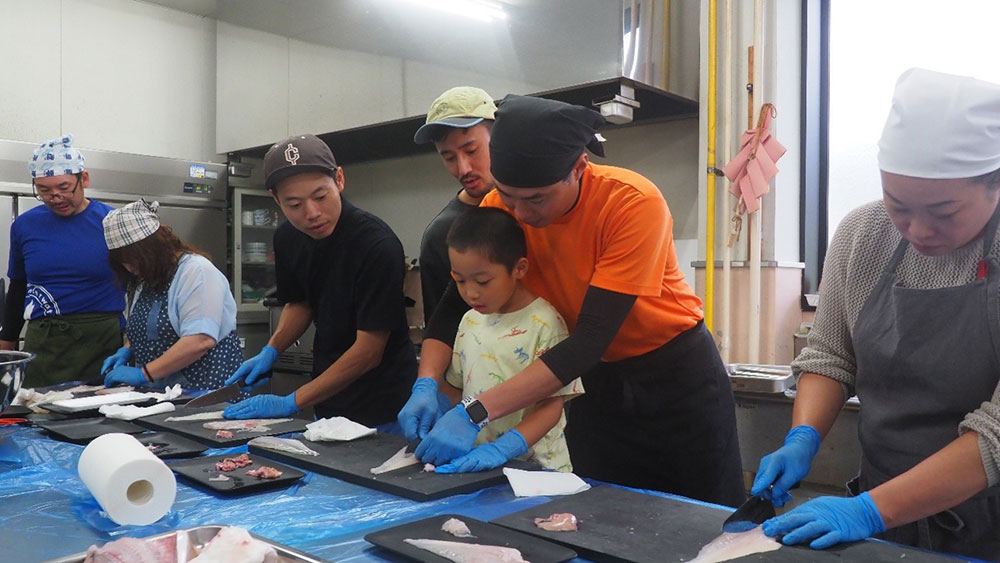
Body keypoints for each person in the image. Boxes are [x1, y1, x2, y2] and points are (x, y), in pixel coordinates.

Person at [400, 95, 745, 507]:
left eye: (537, 199)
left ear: (578, 168)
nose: (520, 214)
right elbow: (452, 306)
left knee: (701, 518)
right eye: (510, 196)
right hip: (590, 385)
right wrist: (426, 382)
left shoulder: (630, 203)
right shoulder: (499, 208)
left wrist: (475, 412)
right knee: (602, 515)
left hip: (671, 379)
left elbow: (590, 338)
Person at [753, 68, 1000, 560]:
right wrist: (802, 437)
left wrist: (868, 511)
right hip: (881, 505)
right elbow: (829, 357)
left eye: (944, 212)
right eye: (898, 204)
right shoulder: (863, 234)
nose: (917, 229)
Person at [223, 134, 417, 427]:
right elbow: (300, 302)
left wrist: (292, 401)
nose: (312, 214)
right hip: (328, 401)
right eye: (295, 204)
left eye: (320, 196)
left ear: (339, 179)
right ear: (276, 200)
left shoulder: (376, 244)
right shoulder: (287, 238)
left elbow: (369, 351)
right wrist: (271, 350)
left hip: (386, 407)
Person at [433, 206, 582, 474]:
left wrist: (505, 448)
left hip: (539, 471)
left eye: (483, 281)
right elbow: (457, 387)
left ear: (519, 268)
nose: (470, 293)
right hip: (480, 465)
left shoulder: (545, 322)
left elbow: (552, 406)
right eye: (460, 281)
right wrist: (436, 410)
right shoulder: (469, 321)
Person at [0, 135, 125, 387]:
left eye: (64, 187)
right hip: (44, 341)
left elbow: (139, 286)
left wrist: (132, 343)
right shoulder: (25, 226)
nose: (55, 197)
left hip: (101, 341)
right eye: (44, 190)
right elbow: (18, 287)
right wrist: (6, 346)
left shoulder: (112, 221)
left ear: (84, 179)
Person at [98, 199, 243, 391]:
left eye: (134, 259)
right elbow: (151, 328)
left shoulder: (196, 271)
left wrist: (143, 374)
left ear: (154, 249)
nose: (130, 268)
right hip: (161, 397)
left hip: (205, 395)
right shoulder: (145, 279)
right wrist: (126, 350)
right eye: (124, 263)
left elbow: (200, 340)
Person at [413, 86, 498, 323]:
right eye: (449, 157)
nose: (463, 169)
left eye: (471, 150)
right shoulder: (441, 234)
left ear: (498, 137)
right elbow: (441, 327)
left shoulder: (534, 209)